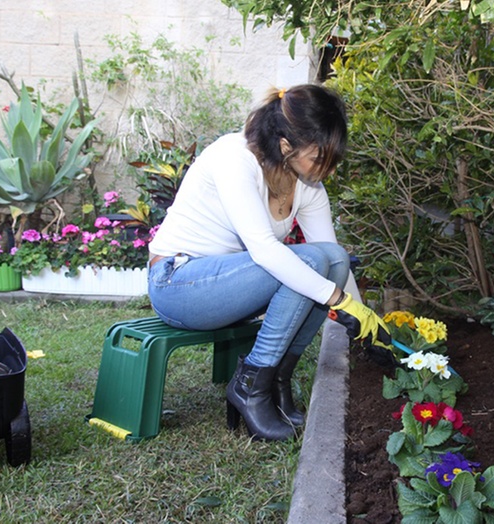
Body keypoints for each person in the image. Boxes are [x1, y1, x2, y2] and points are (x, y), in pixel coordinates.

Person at [147, 84, 390, 441]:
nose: (328, 170)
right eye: (320, 158)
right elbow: (264, 250)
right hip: (179, 283)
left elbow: (334, 260)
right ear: (286, 146)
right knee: (305, 261)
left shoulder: (308, 186)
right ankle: (250, 384)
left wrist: (368, 321)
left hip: (235, 290)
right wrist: (339, 302)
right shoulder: (234, 157)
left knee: (333, 258)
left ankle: (277, 379)